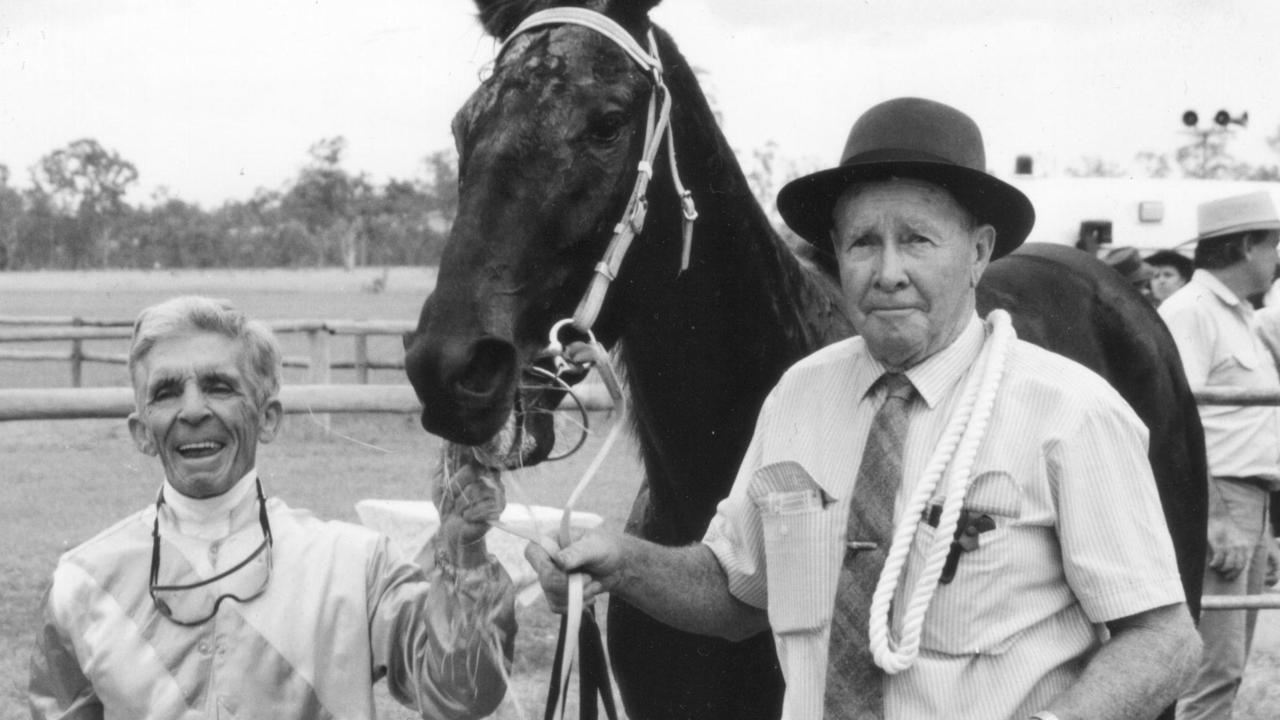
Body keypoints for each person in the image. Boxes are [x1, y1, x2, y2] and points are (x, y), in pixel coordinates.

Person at [527, 97, 1199, 720]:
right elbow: (736, 593)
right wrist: (620, 561)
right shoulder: (799, 397)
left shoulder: (1070, 414)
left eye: (917, 240)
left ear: (980, 252)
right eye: (862, 243)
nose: (887, 272)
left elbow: (1164, 638)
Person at [29, 296, 516, 719]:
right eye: (167, 391)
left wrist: (463, 551)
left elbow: (460, 698)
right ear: (141, 431)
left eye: (220, 386)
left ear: (268, 419)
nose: (194, 410)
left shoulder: (355, 565)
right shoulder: (82, 581)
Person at [1157, 191, 1280, 720]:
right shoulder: (1192, 312)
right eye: (1274, 246)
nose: (1279, 260)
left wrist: (1265, 533)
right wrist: (1217, 520)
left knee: (1225, 671)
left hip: (1245, 500)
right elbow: (1175, 421)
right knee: (1211, 675)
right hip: (1218, 498)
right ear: (1249, 245)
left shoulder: (1239, 316)